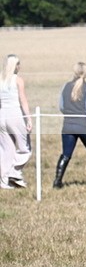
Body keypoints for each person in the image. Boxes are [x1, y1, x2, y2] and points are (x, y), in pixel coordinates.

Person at [53, 62, 86, 188]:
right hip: (84, 127)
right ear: (85, 73)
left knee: (66, 154)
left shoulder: (65, 86)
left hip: (68, 126)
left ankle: (57, 181)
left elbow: (61, 106)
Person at [0, 54, 32, 190]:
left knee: (6, 150)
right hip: (15, 114)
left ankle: (4, 180)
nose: (20, 67)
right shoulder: (18, 80)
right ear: (15, 66)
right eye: (19, 64)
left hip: (2, 115)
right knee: (25, 148)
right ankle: (14, 172)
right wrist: (28, 118)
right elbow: (22, 100)